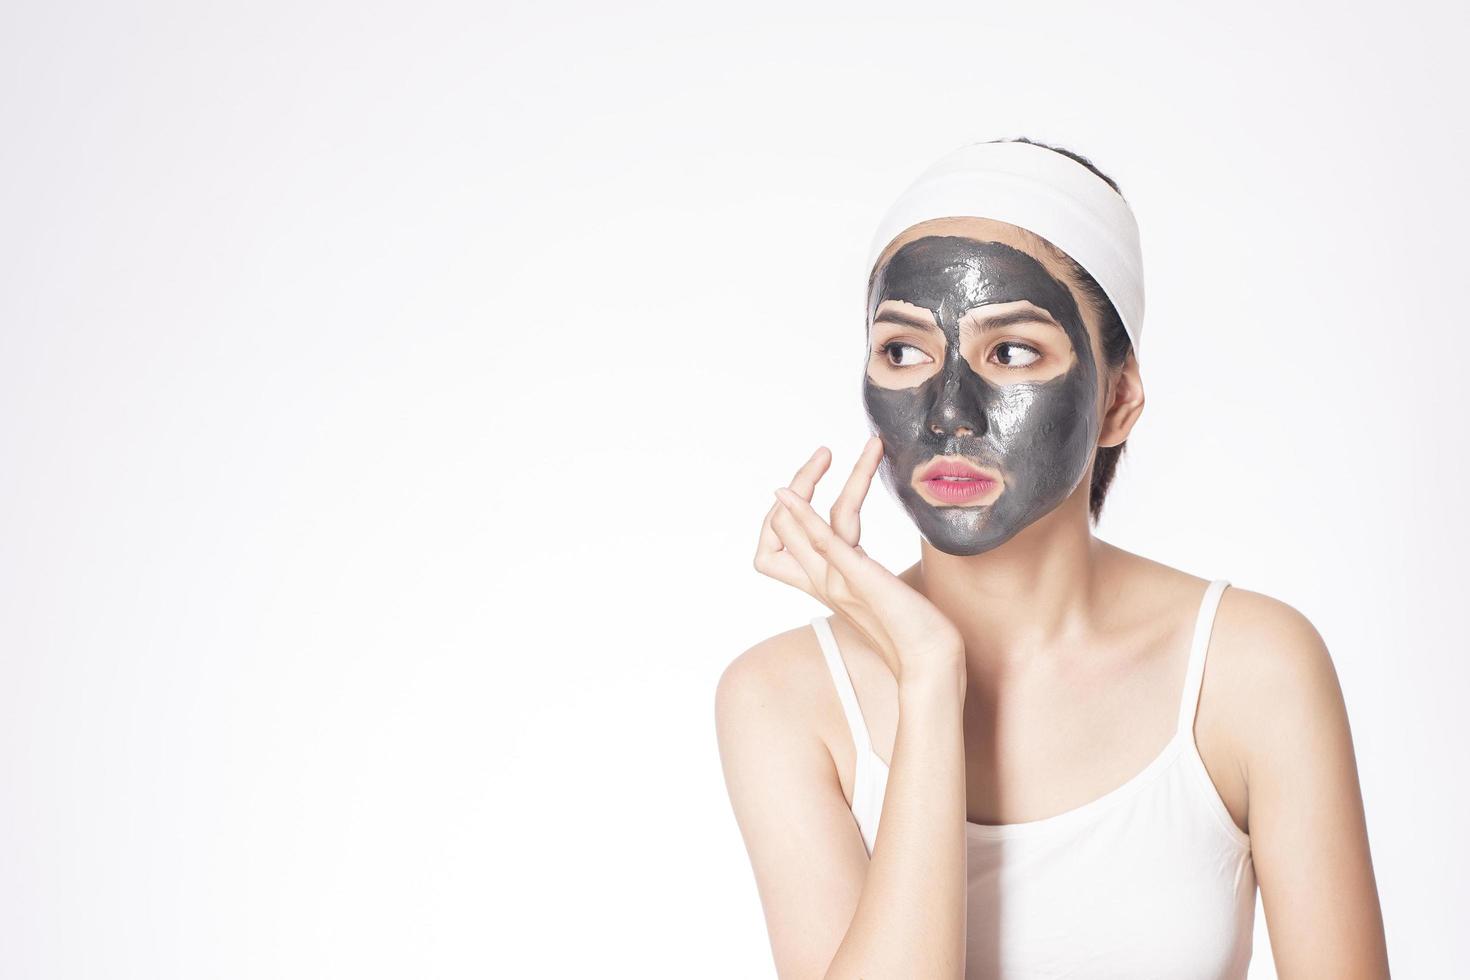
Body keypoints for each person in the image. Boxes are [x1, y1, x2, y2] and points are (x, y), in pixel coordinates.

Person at [714, 138, 1390, 979]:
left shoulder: (1250, 667)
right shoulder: (787, 699)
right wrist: (929, 678)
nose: (949, 411)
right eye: (903, 351)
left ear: (1117, 400)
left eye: (1013, 352)